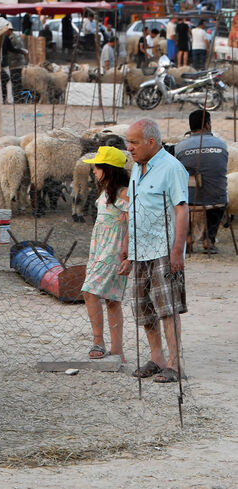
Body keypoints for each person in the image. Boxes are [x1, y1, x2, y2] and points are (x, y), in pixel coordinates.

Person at [120, 119, 189, 384]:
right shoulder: (137, 168)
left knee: (167, 308)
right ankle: (157, 358)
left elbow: (182, 210)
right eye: (128, 142)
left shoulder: (172, 168)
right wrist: (127, 244)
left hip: (163, 249)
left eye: (134, 142)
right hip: (140, 249)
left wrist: (177, 250)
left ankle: (175, 364)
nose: (129, 148)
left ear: (151, 142)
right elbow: (134, 208)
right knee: (144, 308)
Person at [81, 146, 130, 362]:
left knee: (89, 291)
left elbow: (131, 223)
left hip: (113, 251)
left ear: (108, 169)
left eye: (97, 167)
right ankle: (117, 350)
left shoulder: (123, 193)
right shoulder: (105, 192)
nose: (94, 170)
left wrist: (128, 254)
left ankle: (98, 342)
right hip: (99, 249)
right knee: (112, 299)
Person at [175, 109, 228, 254]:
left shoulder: (180, 147)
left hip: (187, 197)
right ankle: (209, 239)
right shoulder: (221, 144)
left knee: (181, 201)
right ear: (207, 125)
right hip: (214, 197)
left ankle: (187, 237)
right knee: (221, 199)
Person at [3, 26, 28, 104]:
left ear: (9, 30)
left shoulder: (15, 39)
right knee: (14, 81)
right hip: (12, 63)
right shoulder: (8, 37)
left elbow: (15, 51)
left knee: (16, 81)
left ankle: (18, 99)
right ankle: (17, 98)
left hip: (16, 63)